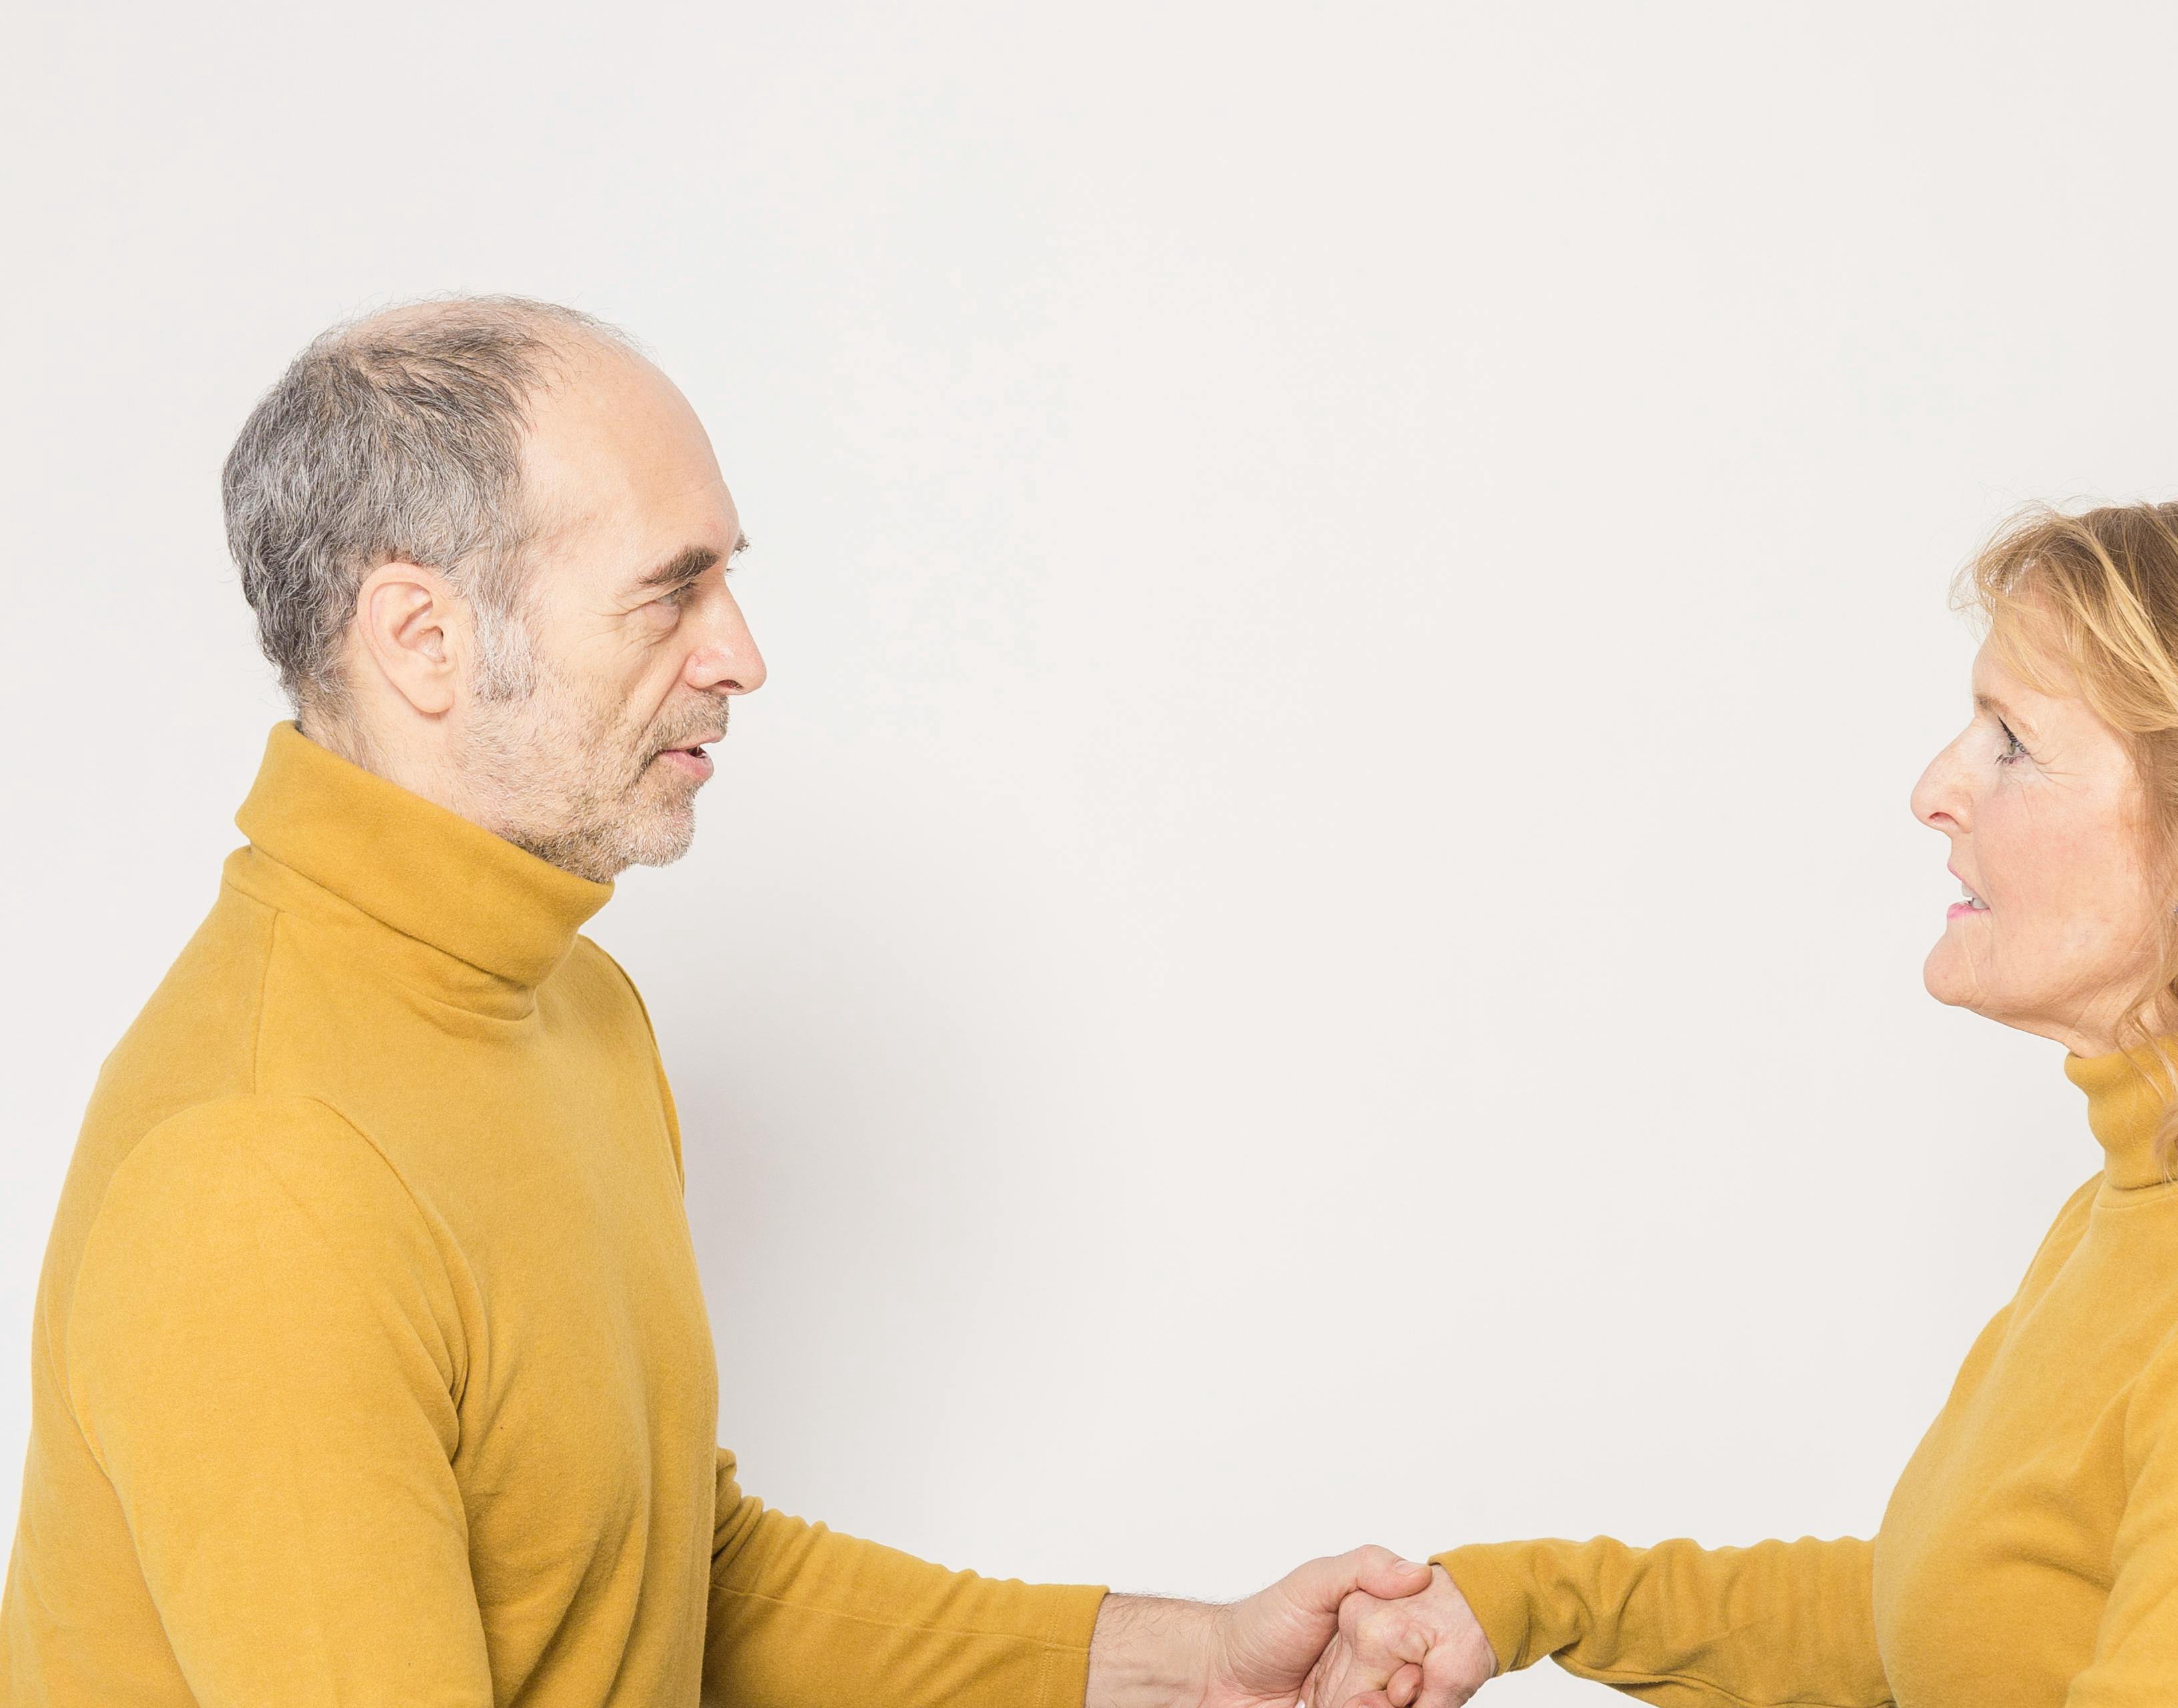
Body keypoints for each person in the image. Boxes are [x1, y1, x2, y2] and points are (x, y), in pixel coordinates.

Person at [0, 295, 1436, 1705]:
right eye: (669, 586)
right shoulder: (263, 1172)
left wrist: (1188, 1660)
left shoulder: (574, 1008)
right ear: (421, 636)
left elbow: (678, 1580)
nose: (740, 653)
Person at [1311, 499, 2178, 1707]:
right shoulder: (2158, 1210)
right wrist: (1520, 1602)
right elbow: (1948, 1623)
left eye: (2011, 740)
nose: (1934, 789)